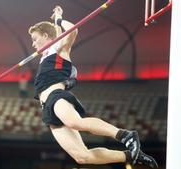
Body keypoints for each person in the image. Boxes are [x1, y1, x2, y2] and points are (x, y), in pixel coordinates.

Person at [28, 5, 158, 168]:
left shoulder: (59, 50)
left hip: (56, 97)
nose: (33, 44)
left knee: (74, 122)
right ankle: (130, 156)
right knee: (82, 157)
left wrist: (60, 19)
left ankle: (125, 135)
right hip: (46, 107)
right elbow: (57, 34)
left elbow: (73, 31)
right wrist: (56, 21)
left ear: (46, 36)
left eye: (35, 39)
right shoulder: (46, 55)